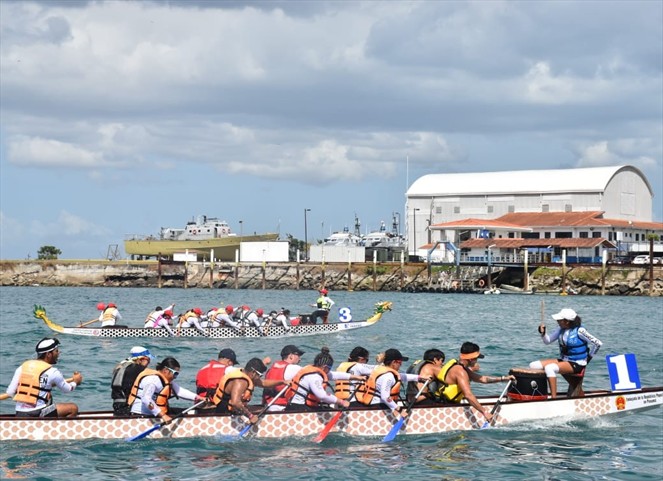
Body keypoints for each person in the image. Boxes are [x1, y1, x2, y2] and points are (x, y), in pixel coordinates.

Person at [529, 308, 603, 398]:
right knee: (533, 365)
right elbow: (547, 341)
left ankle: (553, 398)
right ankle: (539, 394)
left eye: (559, 320)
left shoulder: (580, 331)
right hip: (565, 361)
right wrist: (543, 333)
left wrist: (589, 357)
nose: (557, 321)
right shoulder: (561, 329)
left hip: (577, 363)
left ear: (567, 321)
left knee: (549, 368)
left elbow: (598, 343)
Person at [433, 342, 514, 424]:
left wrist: (503, 379)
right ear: (471, 359)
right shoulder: (460, 372)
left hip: (442, 400)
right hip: (446, 405)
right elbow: (468, 395)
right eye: (477, 358)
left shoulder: (459, 366)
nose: (477, 361)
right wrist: (485, 412)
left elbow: (482, 379)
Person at [6, 338, 83, 418]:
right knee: (73, 408)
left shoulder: (22, 367)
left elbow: (10, 392)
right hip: (37, 413)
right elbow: (67, 389)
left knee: (48, 396)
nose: (59, 353)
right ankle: (58, 429)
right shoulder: (53, 371)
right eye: (56, 351)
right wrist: (76, 382)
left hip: (20, 413)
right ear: (48, 354)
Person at [128, 356, 206, 424]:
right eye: (175, 373)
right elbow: (146, 399)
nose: (175, 377)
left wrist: (198, 397)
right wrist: (163, 416)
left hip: (153, 414)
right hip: (140, 416)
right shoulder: (153, 380)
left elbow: (179, 391)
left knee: (187, 411)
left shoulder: (165, 380)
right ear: (166, 370)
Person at [356, 348, 427, 418]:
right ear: (394, 362)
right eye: (400, 362)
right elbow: (385, 397)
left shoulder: (381, 370)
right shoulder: (388, 376)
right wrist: (400, 410)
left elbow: (402, 376)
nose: (401, 365)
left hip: (373, 404)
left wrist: (420, 377)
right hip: (378, 407)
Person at [286, 347, 365, 411]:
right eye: (329, 368)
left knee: (327, 408)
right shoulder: (314, 377)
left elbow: (335, 375)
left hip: (297, 405)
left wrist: (357, 377)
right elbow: (322, 395)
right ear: (324, 367)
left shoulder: (314, 369)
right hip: (298, 408)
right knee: (330, 410)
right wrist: (342, 402)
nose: (330, 371)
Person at [210, 358, 282, 421]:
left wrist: (282, 382)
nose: (259, 378)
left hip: (233, 409)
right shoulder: (241, 381)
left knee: (262, 408)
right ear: (253, 372)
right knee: (263, 410)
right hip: (225, 412)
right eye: (260, 375)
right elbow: (235, 402)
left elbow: (263, 383)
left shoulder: (245, 373)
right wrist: (250, 416)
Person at [111, 346, 156, 415]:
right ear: (141, 359)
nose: (149, 362)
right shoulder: (138, 369)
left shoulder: (121, 366)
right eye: (148, 359)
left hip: (117, 405)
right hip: (127, 407)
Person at [263, 344, 305, 412]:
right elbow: (311, 373)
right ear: (291, 356)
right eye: (298, 355)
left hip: (268, 406)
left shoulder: (271, 368)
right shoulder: (293, 368)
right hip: (282, 408)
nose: (300, 359)